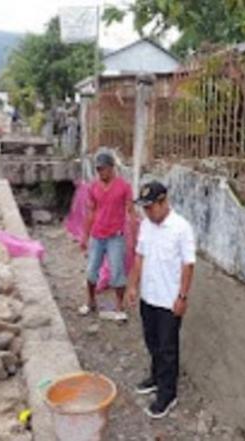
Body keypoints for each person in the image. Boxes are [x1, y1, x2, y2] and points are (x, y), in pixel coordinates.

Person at [127, 181, 196, 419]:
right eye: (144, 208)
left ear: (163, 202)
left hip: (169, 301)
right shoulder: (146, 225)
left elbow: (188, 264)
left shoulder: (181, 228)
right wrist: (133, 286)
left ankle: (168, 394)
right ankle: (156, 378)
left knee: (168, 349)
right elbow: (139, 256)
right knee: (152, 341)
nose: (147, 212)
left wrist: (182, 297)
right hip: (149, 296)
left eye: (150, 207)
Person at [80, 151, 135, 321]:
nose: (100, 172)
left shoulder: (124, 187)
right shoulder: (93, 187)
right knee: (91, 271)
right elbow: (90, 212)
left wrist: (131, 235)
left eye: (103, 169)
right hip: (97, 236)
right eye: (98, 169)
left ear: (112, 168)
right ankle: (90, 302)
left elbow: (130, 211)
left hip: (115, 236)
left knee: (117, 273)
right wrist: (85, 236)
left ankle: (119, 307)